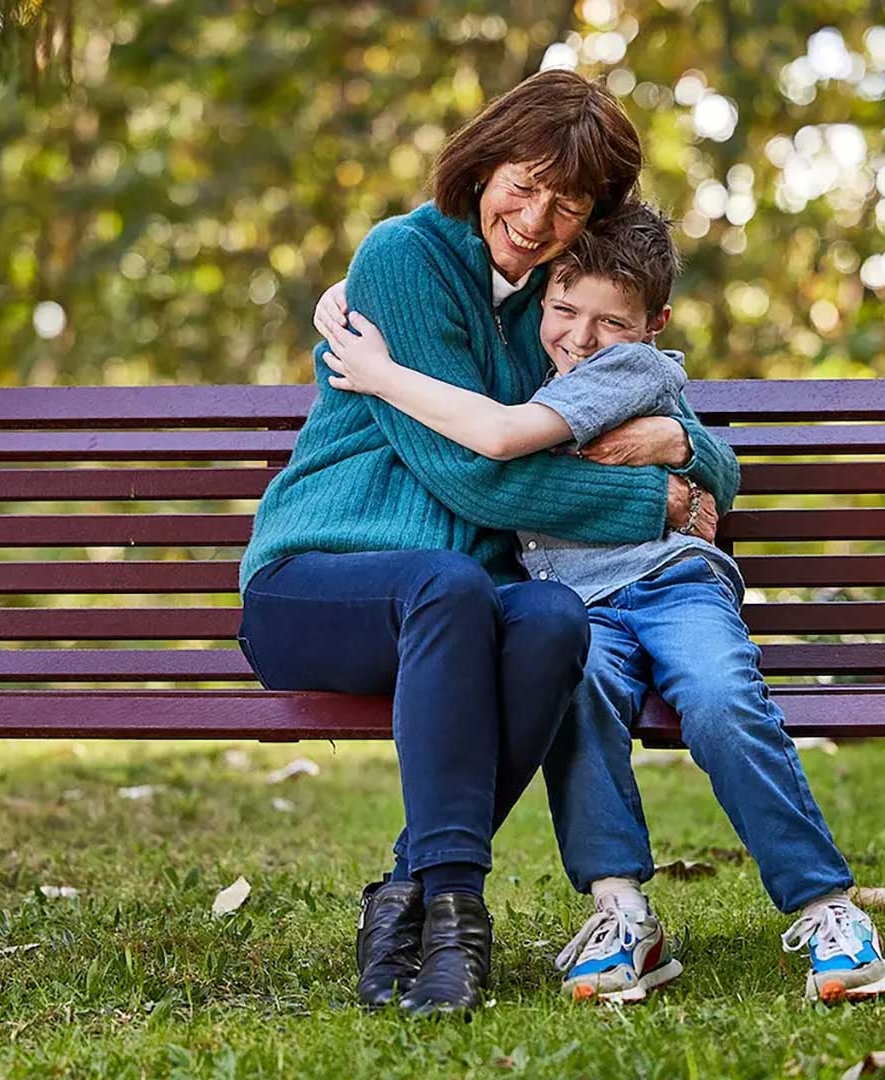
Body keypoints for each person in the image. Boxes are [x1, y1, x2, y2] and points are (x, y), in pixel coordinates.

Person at [239, 70, 739, 1017]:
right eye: (525, 180)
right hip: (316, 582)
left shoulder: (561, 314)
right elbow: (474, 475)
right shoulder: (400, 258)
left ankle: (404, 901)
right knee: (455, 586)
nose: (536, 215)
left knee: (552, 618)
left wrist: (686, 449)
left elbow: (688, 432)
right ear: (484, 162)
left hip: (452, 599)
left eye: (569, 202)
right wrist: (653, 505)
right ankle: (460, 913)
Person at [315, 200, 885, 1006]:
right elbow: (467, 338)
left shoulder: (630, 374)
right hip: (576, 604)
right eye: (564, 310)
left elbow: (510, 441)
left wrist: (681, 447)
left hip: (672, 585)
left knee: (723, 701)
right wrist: (359, 285)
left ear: (654, 324)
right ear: (544, 295)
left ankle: (828, 907)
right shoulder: (522, 369)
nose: (581, 338)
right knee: (578, 702)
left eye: (611, 322)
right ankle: (622, 913)